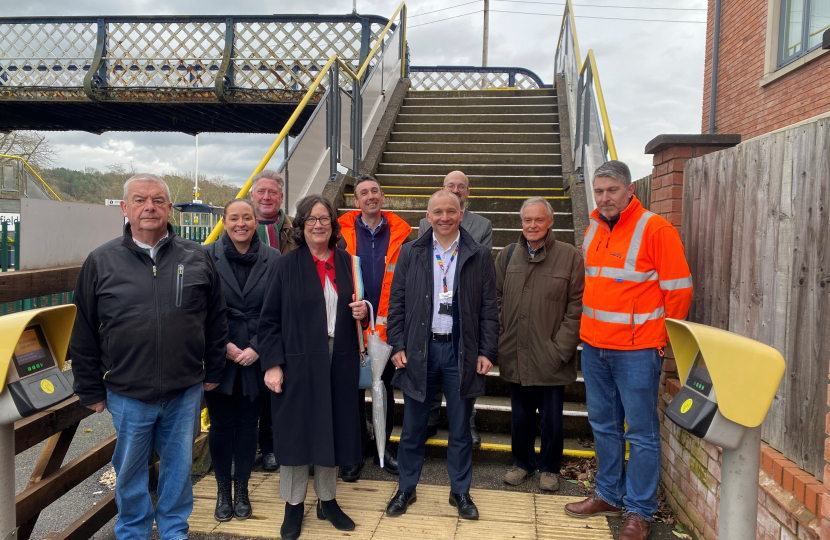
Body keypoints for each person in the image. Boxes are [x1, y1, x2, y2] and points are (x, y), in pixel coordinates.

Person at [70, 173, 228, 540]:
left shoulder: (197, 256)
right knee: (129, 472)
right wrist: (89, 389)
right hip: (127, 392)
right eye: (139, 200)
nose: (149, 207)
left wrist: (214, 368)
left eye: (158, 200)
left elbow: (217, 318)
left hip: (184, 389)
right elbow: (83, 329)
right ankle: (133, 532)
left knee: (178, 470)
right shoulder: (101, 261)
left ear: (170, 208)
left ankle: (174, 531)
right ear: (125, 208)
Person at [563, 161, 693, 540]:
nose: (604, 198)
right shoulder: (593, 230)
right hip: (596, 347)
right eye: (599, 191)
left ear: (630, 189)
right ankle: (608, 494)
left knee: (640, 433)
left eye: (611, 191)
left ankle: (639, 510)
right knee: (603, 425)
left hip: (637, 352)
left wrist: (661, 342)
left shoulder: (655, 228)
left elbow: (679, 290)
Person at [257, 195, 369, 540]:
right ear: (301, 226)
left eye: (324, 219)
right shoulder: (285, 265)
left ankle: (327, 500)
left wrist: (365, 310)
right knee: (296, 432)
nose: (318, 225)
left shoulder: (349, 263)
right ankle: (293, 505)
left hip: (341, 357)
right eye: (311, 220)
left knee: (331, 429)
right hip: (298, 359)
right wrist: (273, 365)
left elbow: (364, 306)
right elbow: (269, 320)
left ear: (333, 225)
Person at [385, 190, 499, 520]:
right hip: (421, 348)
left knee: (461, 427)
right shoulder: (411, 253)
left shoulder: (479, 255)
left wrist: (487, 350)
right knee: (412, 427)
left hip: (460, 349)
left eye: (451, 211)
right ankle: (406, 487)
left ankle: (460, 492)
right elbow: (397, 305)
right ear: (428, 215)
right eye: (438, 212)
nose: (445, 217)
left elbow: (490, 308)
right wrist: (398, 344)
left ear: (462, 213)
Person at [494, 197, 584, 492]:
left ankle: (549, 468)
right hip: (515, 352)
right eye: (527, 220)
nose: (532, 225)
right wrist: (502, 337)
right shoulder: (507, 256)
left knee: (551, 420)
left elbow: (576, 307)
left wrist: (560, 348)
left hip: (551, 355)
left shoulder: (569, 256)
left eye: (538, 220)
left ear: (551, 222)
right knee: (520, 417)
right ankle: (522, 463)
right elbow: (494, 299)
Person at [204, 199, 280, 522]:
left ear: (255, 222)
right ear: (224, 221)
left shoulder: (273, 258)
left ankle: (243, 487)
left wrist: (258, 347)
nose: (240, 224)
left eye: (246, 217)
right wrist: (225, 347)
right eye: (233, 218)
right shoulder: (207, 256)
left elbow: (278, 309)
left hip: (255, 354)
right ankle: (223, 489)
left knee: (250, 425)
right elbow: (200, 309)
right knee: (220, 426)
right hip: (219, 354)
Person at [337, 175, 411, 480]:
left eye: (374, 191)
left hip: (387, 325)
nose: (370, 196)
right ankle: (354, 452)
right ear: (356, 202)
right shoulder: (340, 233)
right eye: (363, 193)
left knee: (384, 391)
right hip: (350, 323)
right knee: (351, 391)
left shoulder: (401, 234)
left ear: (382, 197)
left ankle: (385, 448)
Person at [418, 171, 493, 448]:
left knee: (462, 376)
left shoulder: (482, 225)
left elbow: (479, 268)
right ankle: (431, 418)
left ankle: (466, 423)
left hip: (464, 307)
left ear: (467, 194)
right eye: (451, 186)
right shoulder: (424, 223)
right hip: (434, 306)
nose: (457, 190)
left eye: (462, 187)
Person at [249, 169, 296, 472]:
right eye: (261, 192)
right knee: (252, 385)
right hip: (251, 316)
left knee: (278, 387)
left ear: (281, 196)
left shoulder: (296, 229)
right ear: (252, 195)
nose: (267, 197)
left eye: (272, 192)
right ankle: (250, 446)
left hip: (287, 316)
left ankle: (273, 445)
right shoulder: (239, 226)